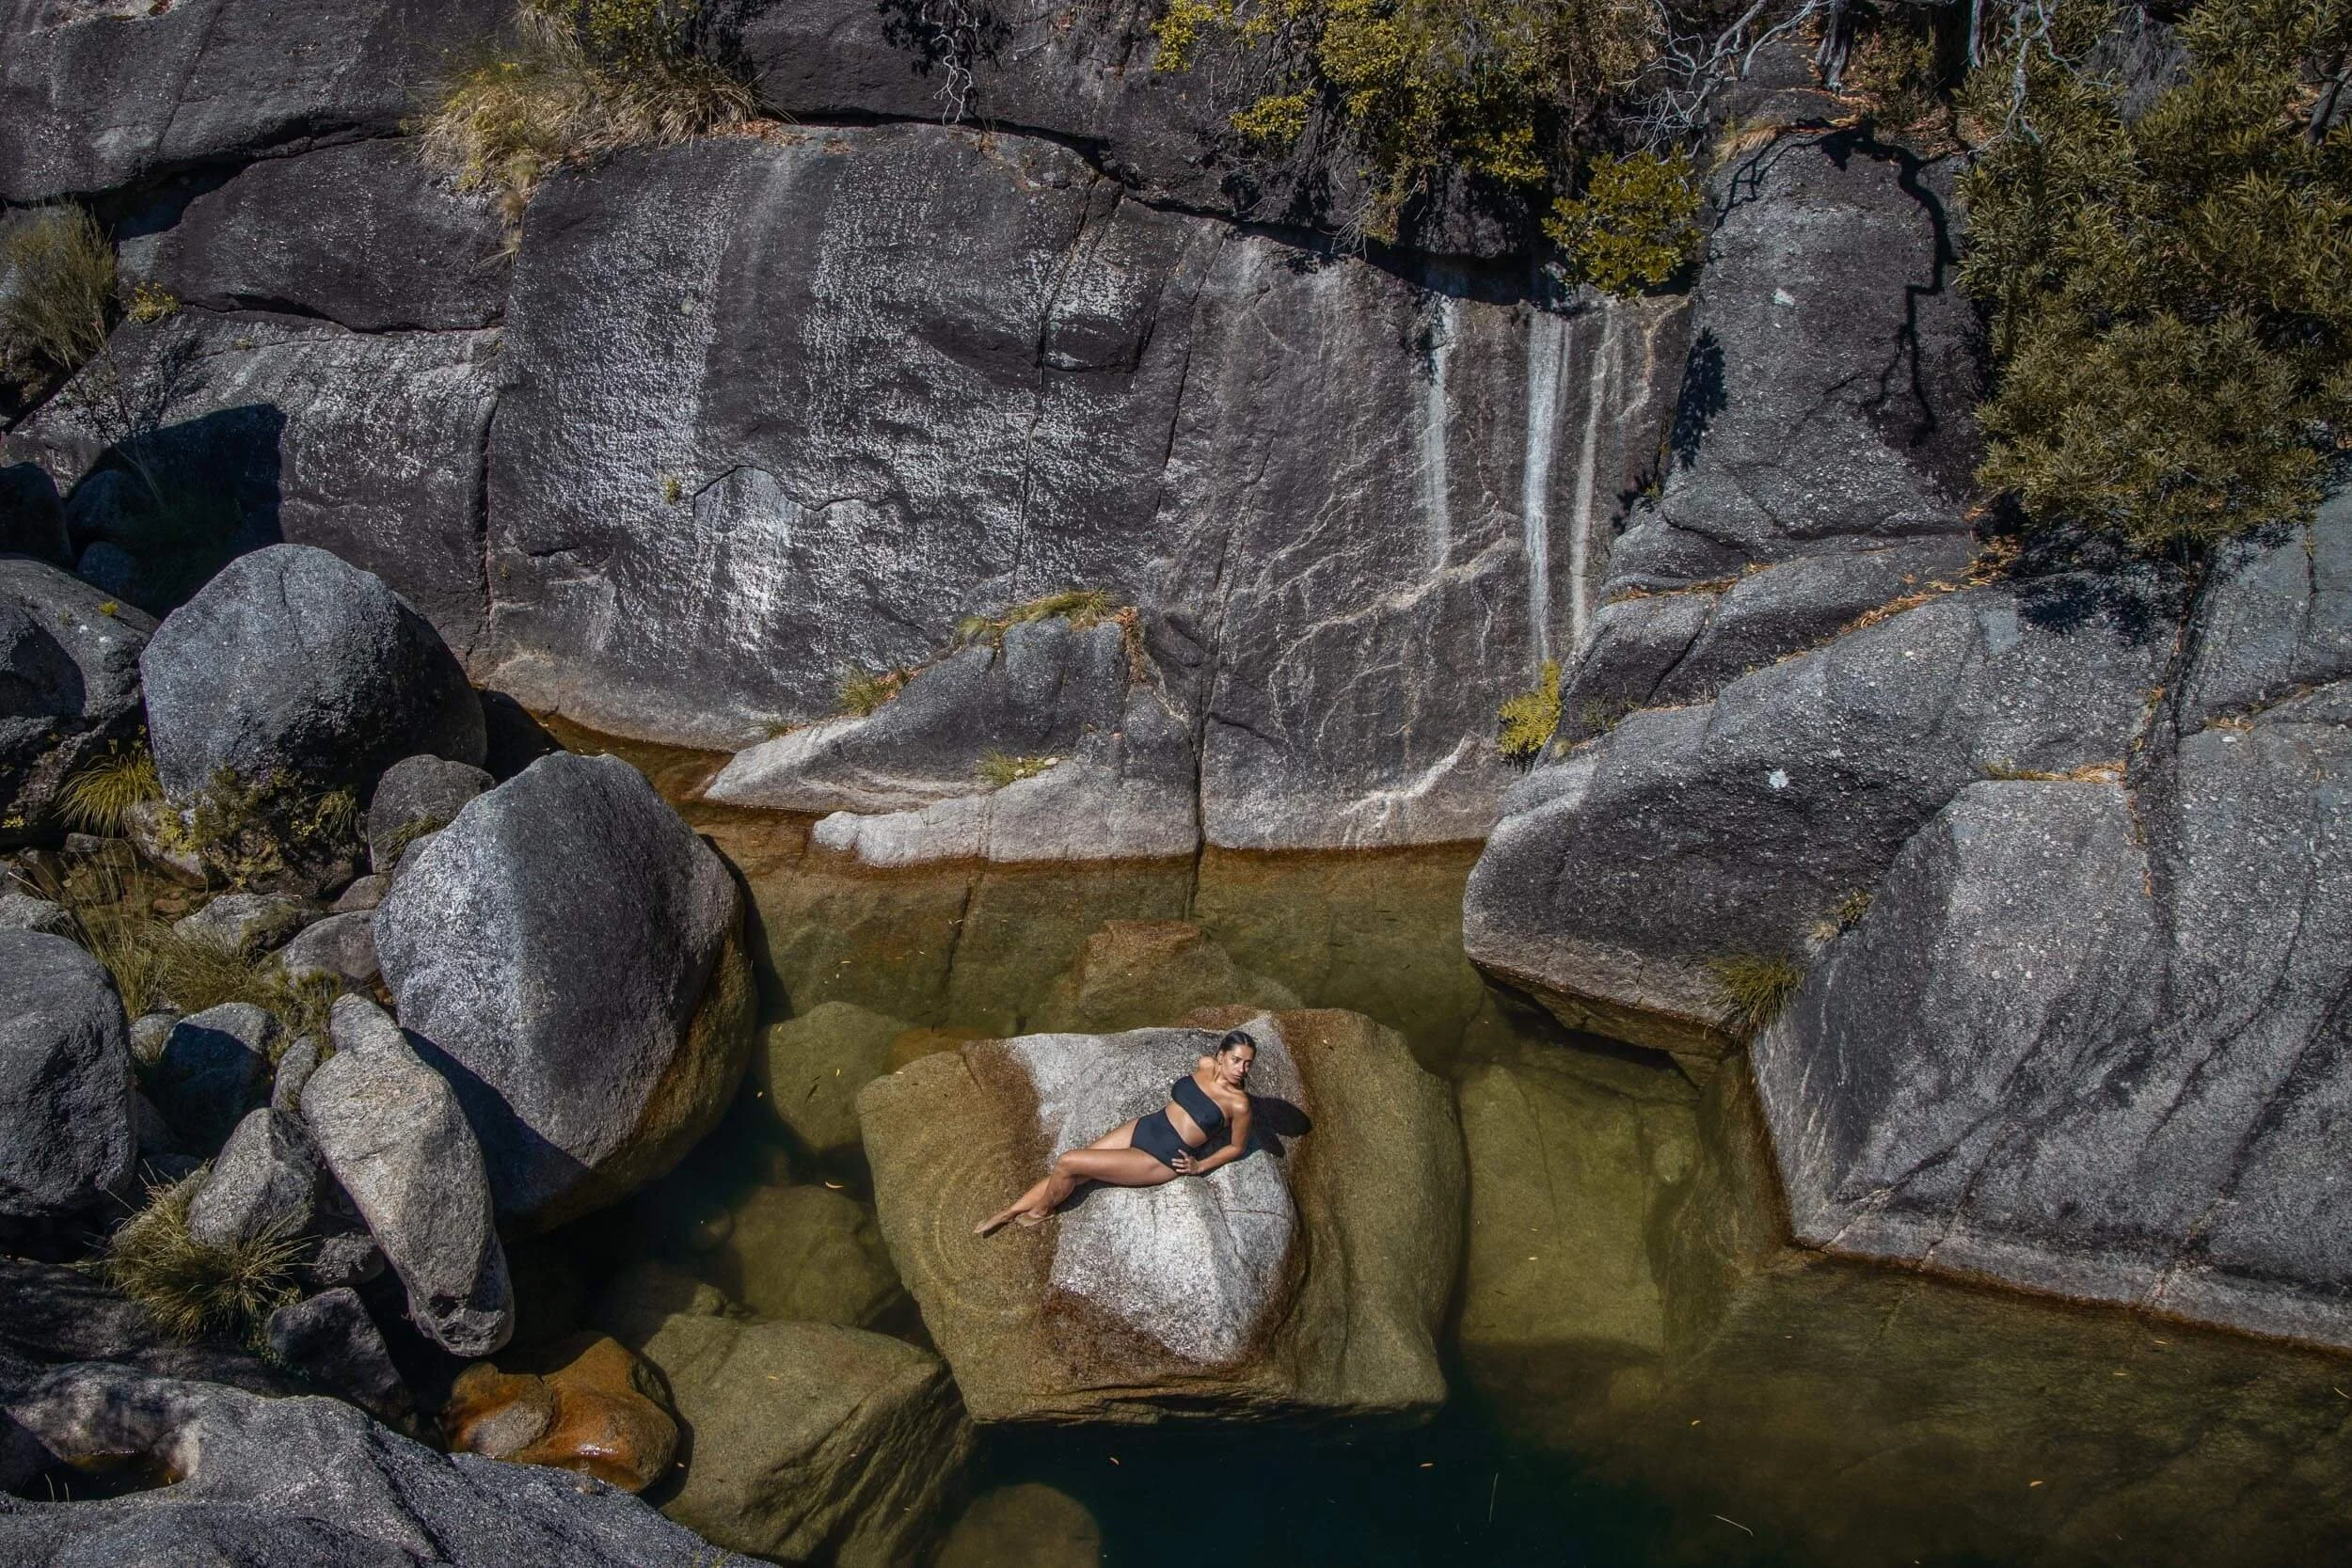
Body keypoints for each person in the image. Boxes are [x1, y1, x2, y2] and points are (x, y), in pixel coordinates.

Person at [975, 1029, 1258, 1235]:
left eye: (1248, 1063)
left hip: (1161, 1157)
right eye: (1236, 1060)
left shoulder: (1239, 1104)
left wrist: (1200, 1166)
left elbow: (1236, 1147)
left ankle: (1041, 1212)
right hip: (1146, 1126)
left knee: (1069, 1162)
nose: (1242, 1069)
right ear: (1221, 1056)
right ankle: (1010, 1211)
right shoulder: (1205, 1064)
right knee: (1078, 1169)